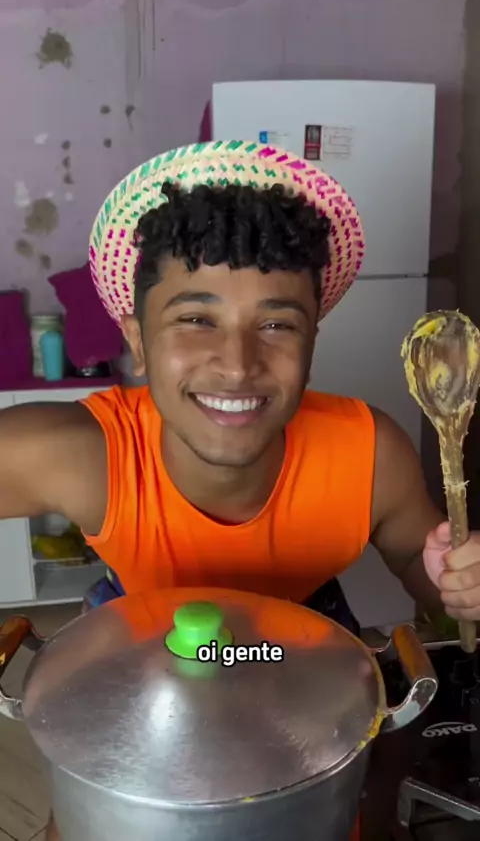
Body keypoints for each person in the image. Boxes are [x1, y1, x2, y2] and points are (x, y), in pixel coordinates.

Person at [1, 141, 479, 841]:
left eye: (277, 324)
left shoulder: (370, 451)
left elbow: (419, 558)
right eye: (197, 319)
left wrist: (456, 579)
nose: (237, 364)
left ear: (313, 338)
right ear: (138, 338)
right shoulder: (85, 454)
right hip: (139, 666)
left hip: (301, 664)